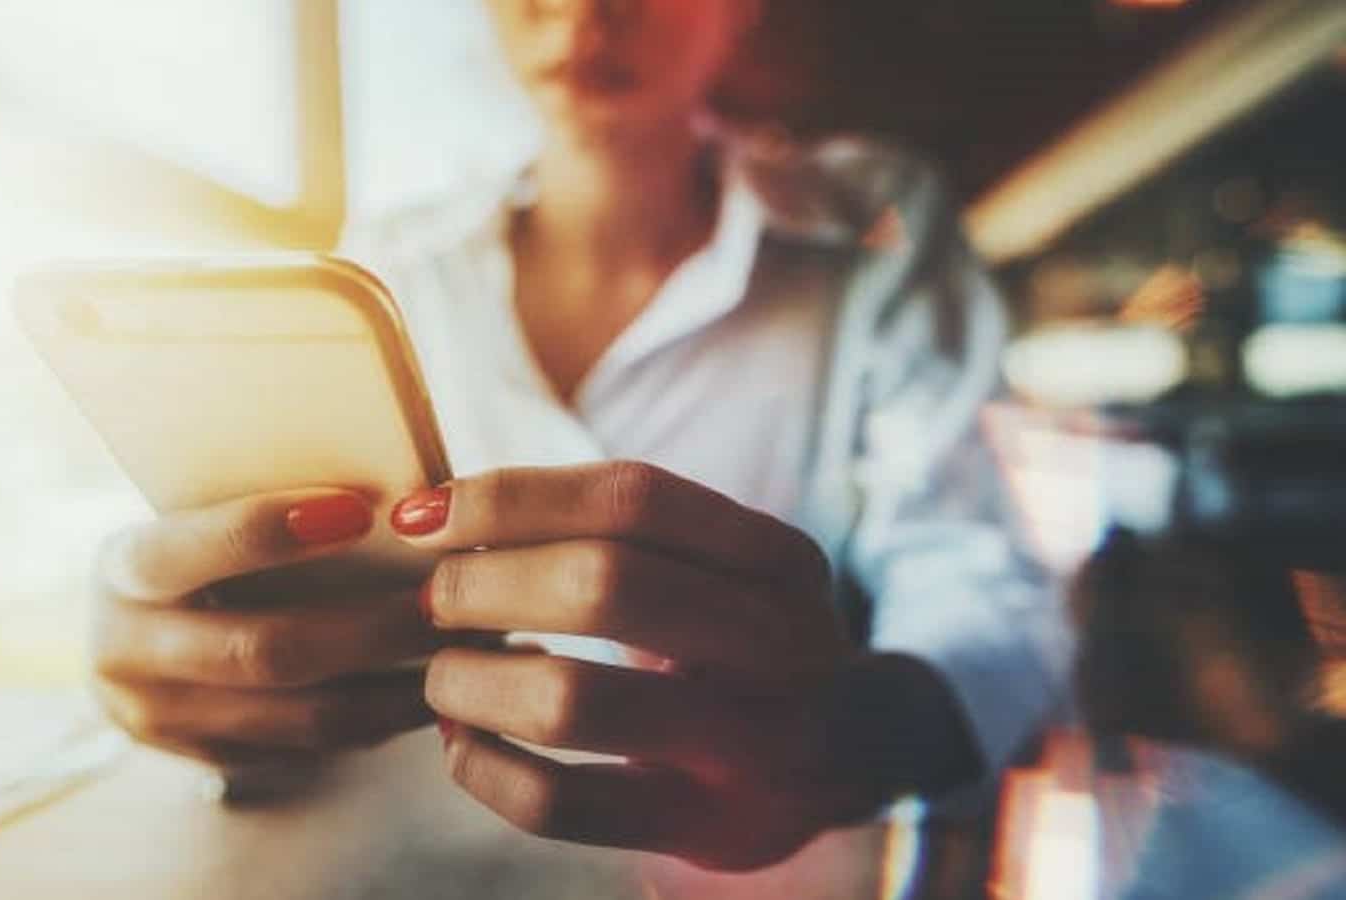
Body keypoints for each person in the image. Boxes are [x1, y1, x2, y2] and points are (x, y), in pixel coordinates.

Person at [87, 0, 1069, 872]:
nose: (585, 14)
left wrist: (859, 737)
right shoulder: (383, 273)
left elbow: (975, 565)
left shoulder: (872, 229)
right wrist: (191, 637)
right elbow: (255, 571)